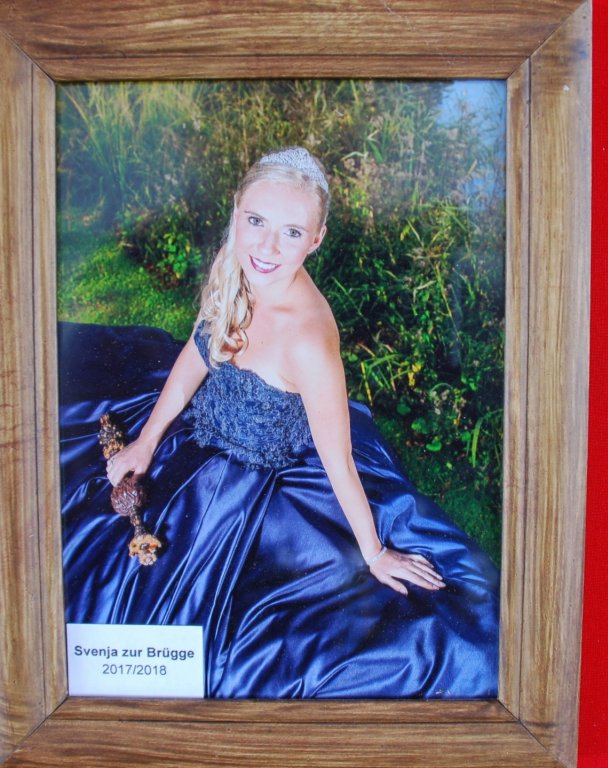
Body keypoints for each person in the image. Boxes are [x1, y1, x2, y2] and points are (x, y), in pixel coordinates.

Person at [59, 147, 499, 698]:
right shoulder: (237, 263)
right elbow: (200, 349)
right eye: (256, 221)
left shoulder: (308, 342)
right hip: (199, 430)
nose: (267, 247)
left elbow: (338, 461)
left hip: (258, 474)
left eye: (291, 233)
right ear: (237, 211)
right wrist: (147, 441)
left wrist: (373, 552)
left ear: (315, 240)